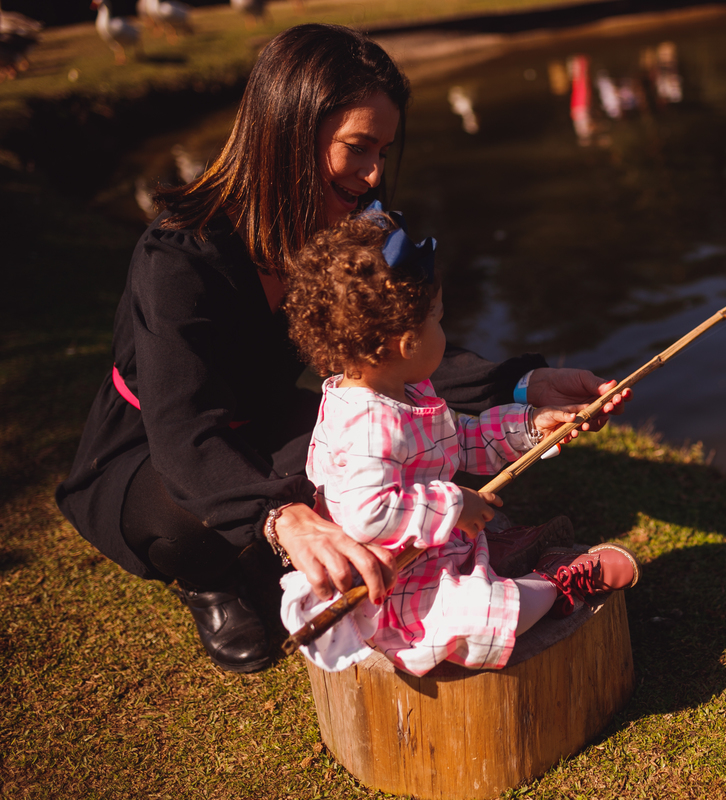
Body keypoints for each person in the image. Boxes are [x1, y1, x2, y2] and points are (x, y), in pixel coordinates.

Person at [55, 23, 630, 674]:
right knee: (195, 517)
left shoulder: (345, 226)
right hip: (151, 452)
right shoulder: (180, 255)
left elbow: (396, 350)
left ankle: (409, 570)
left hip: (267, 424)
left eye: (383, 150)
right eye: (359, 148)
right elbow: (185, 434)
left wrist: (521, 387)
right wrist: (282, 517)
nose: (374, 173)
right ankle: (211, 578)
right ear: (289, 130)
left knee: (400, 451)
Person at [279, 211, 638, 674]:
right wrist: (453, 504)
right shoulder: (368, 423)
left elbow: (459, 441)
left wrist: (532, 427)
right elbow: (369, 512)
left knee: (478, 588)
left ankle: (510, 563)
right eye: (438, 319)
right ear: (407, 343)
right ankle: (555, 581)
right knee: (481, 624)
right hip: (396, 575)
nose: (445, 334)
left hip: (427, 550)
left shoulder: (404, 392)